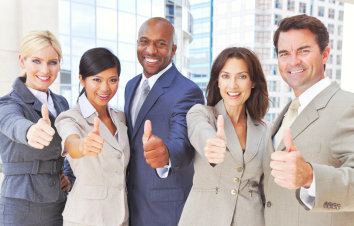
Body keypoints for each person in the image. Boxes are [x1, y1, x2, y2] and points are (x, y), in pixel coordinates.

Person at [263, 14, 354, 226]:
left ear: (325, 54)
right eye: (284, 53)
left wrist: (310, 177)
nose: (293, 61)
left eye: (303, 51)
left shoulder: (348, 106)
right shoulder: (287, 112)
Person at [124, 17, 204, 226]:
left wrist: (166, 155)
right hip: (129, 206)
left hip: (164, 211)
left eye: (160, 44)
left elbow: (183, 142)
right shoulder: (130, 86)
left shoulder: (187, 91)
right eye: (144, 42)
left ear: (173, 49)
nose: (150, 50)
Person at [179, 47, 270, 226]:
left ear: (252, 82)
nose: (233, 85)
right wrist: (210, 144)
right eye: (226, 76)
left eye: (242, 76)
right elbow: (200, 131)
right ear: (217, 82)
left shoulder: (266, 130)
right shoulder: (202, 114)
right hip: (203, 219)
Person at [0, 30, 71, 225]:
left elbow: (70, 145)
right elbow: (12, 122)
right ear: (22, 61)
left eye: (52, 62)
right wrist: (30, 131)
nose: (45, 70)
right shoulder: (7, 103)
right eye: (36, 61)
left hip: (57, 203)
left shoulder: (62, 103)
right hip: (20, 205)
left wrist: (67, 175)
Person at [55, 48, 129, 226]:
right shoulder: (70, 117)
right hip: (86, 219)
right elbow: (71, 142)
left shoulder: (120, 117)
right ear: (82, 79)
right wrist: (82, 146)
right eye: (97, 80)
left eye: (113, 80)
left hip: (121, 217)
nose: (105, 88)